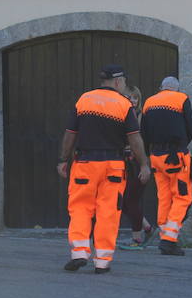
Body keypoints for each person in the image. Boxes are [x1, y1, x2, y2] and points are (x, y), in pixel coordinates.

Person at [56, 65, 151, 273]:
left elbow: (70, 133)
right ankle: (102, 261)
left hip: (85, 164)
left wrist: (63, 160)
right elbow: (134, 139)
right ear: (118, 81)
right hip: (113, 167)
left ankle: (79, 252)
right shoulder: (123, 104)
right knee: (108, 212)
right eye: (124, 82)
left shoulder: (84, 100)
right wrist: (144, 164)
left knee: (80, 208)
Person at [142, 75, 192, 257]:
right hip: (176, 157)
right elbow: (190, 128)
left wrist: (148, 153)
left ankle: (165, 237)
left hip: (156, 157)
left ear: (161, 87)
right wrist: (181, 145)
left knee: (164, 197)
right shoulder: (181, 99)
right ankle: (169, 239)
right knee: (182, 197)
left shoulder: (149, 102)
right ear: (177, 88)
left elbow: (144, 132)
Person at [118, 85, 155, 250]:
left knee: (130, 200)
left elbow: (141, 141)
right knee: (123, 202)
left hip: (138, 163)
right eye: (129, 97)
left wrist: (144, 163)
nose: (132, 100)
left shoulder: (141, 117)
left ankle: (137, 239)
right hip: (124, 164)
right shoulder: (121, 114)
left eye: (135, 98)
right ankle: (147, 228)